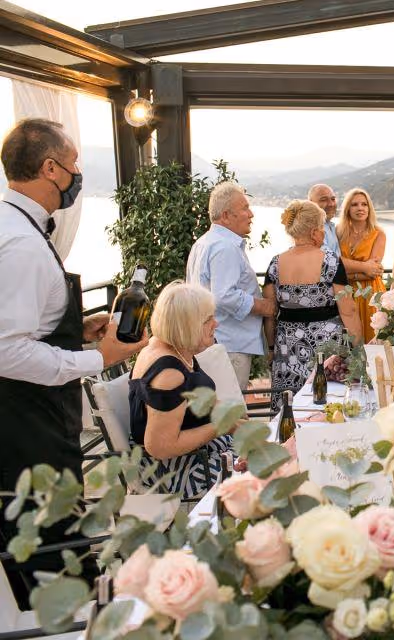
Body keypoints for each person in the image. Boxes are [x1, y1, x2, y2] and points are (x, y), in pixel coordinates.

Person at [0, 118, 147, 601]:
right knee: (54, 562)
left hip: (33, 420)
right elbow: (6, 350)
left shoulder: (14, 225)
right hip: (27, 430)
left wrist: (73, 330)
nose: (77, 174)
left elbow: (24, 326)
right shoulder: (21, 244)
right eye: (73, 164)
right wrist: (98, 358)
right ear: (50, 168)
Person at [129, 282, 234, 498]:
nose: (216, 323)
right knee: (265, 470)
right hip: (176, 470)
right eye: (208, 319)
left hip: (198, 453)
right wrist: (219, 427)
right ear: (187, 325)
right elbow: (160, 447)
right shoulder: (168, 373)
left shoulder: (175, 348)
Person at [264, 200, 362, 413]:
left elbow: (270, 313)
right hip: (326, 349)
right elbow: (349, 310)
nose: (324, 233)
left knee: (289, 407)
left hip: (287, 348)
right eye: (322, 227)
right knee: (326, 405)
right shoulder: (331, 262)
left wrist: (271, 348)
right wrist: (357, 350)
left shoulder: (275, 263)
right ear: (314, 232)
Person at [186, 181, 275, 389]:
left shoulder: (203, 242)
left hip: (212, 342)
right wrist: (264, 306)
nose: (251, 214)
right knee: (230, 405)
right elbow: (224, 296)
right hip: (228, 346)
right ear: (226, 216)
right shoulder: (225, 247)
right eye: (245, 208)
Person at [337, 188, 385, 342]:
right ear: (347, 209)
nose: (360, 208)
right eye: (354, 204)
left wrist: (346, 271)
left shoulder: (378, 234)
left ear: (369, 208)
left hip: (370, 294)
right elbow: (335, 266)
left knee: (372, 339)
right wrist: (363, 268)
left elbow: (373, 272)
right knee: (348, 343)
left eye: (364, 204)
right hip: (344, 293)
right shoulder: (339, 233)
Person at [307, 183, 341, 259]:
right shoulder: (311, 229)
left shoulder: (330, 226)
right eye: (323, 200)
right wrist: (364, 265)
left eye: (333, 199)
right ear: (310, 203)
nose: (331, 204)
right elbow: (328, 260)